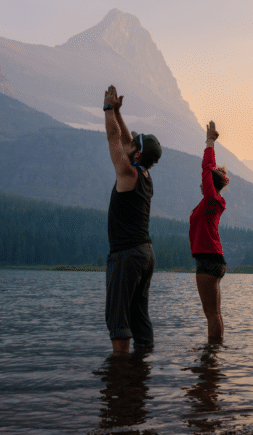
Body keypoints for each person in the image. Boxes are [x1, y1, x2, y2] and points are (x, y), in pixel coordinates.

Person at [103, 85, 162, 354]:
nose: (130, 145)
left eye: (134, 146)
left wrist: (107, 110)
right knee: (139, 316)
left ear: (137, 156)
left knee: (120, 319)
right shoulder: (145, 175)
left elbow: (115, 140)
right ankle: (142, 373)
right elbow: (129, 143)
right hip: (145, 253)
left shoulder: (128, 174)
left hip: (127, 254)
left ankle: (121, 379)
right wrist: (118, 111)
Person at [189, 120, 229, 339]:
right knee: (215, 313)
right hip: (212, 258)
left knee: (211, 314)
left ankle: (211, 360)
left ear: (210, 184)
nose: (202, 181)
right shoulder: (211, 203)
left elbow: (206, 167)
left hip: (208, 260)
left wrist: (210, 140)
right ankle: (215, 358)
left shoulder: (212, 199)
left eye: (205, 180)